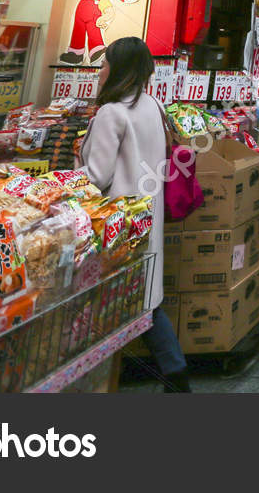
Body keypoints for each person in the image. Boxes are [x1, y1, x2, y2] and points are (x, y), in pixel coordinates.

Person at [80, 37, 186, 392]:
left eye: (104, 63)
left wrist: (61, 178)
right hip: (145, 216)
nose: (100, 71)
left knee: (116, 301)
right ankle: (175, 376)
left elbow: (97, 176)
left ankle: (100, 381)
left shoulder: (113, 113)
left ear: (119, 68)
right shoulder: (152, 105)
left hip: (116, 224)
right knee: (146, 303)